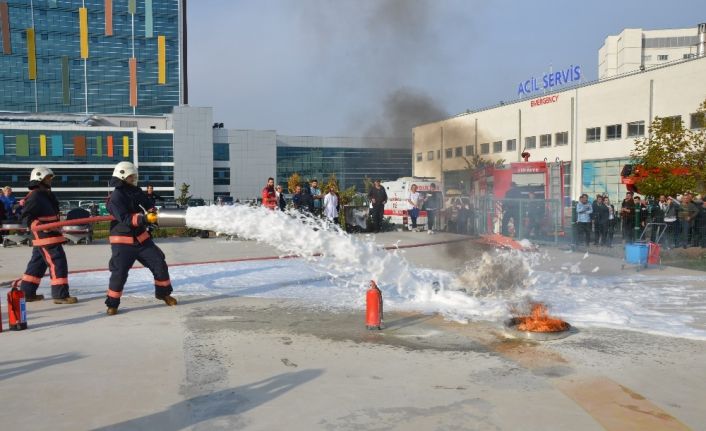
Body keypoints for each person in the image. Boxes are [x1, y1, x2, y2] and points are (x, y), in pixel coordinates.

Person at [105, 161, 176, 315]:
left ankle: (163, 294)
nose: (134, 179)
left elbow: (147, 202)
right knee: (119, 273)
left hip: (141, 237)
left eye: (134, 176)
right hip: (123, 241)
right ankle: (112, 304)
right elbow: (124, 218)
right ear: (123, 176)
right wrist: (144, 219)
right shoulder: (115, 197)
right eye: (131, 177)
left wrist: (152, 210)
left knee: (159, 262)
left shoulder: (134, 190)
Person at [17, 166, 77, 304]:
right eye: (48, 178)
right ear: (39, 179)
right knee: (58, 262)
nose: (50, 180)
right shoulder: (36, 195)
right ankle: (60, 295)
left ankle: (27, 293)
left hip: (51, 234)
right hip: (45, 236)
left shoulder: (45, 194)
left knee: (37, 264)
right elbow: (26, 217)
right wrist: (38, 226)